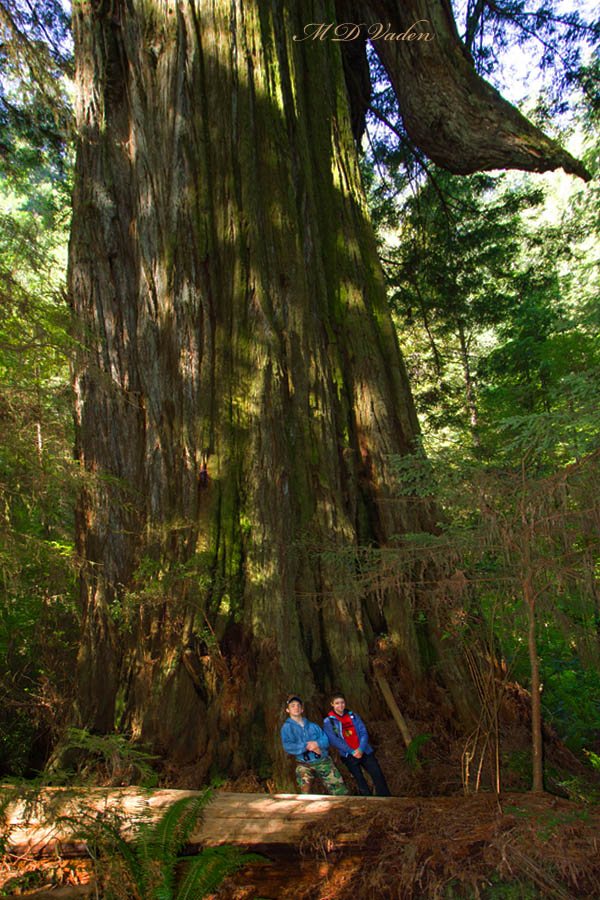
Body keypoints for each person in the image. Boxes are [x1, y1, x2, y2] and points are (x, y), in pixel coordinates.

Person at [323, 692, 391, 796]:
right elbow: (334, 740)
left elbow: (363, 732)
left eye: (342, 702)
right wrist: (351, 751)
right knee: (359, 778)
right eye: (337, 703)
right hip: (348, 754)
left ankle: (385, 797)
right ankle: (367, 800)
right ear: (332, 704)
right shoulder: (329, 721)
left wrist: (361, 749)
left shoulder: (353, 716)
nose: (340, 705)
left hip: (364, 751)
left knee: (377, 774)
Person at [280, 694, 349, 795]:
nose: (296, 708)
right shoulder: (287, 728)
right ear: (287, 710)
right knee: (305, 792)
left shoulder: (313, 726)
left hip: (322, 761)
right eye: (293, 705)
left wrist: (317, 743)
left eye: (298, 705)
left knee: (340, 790)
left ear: (302, 709)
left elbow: (325, 740)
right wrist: (307, 746)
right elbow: (288, 746)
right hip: (304, 764)